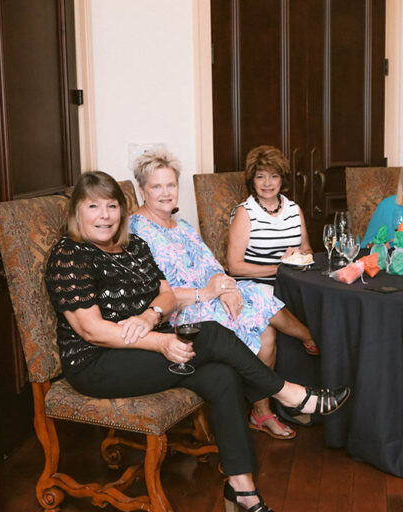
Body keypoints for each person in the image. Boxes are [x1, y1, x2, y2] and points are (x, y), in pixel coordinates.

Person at [45, 171, 349, 512]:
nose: (104, 215)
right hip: (97, 362)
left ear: (121, 210)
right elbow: (92, 331)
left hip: (139, 344)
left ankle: (242, 489)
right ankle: (288, 393)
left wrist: (149, 316)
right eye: (93, 206)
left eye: (112, 206)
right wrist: (160, 342)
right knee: (212, 334)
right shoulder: (70, 254)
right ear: (77, 212)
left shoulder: (134, 245)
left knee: (221, 376)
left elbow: (167, 296)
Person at [129, 149, 319, 441]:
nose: (166, 193)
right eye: (157, 186)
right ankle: (308, 343)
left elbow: (211, 264)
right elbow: (151, 293)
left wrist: (226, 286)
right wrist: (206, 292)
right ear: (142, 190)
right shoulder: (136, 231)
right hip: (179, 310)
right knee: (260, 310)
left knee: (264, 321)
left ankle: (261, 411)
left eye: (171, 185)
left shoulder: (182, 225)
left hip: (209, 296)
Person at [227, 145, 312, 285]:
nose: (267, 183)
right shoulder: (244, 213)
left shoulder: (294, 209)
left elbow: (307, 250)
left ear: (281, 179)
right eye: (260, 177)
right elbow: (234, 267)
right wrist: (279, 269)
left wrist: (298, 257)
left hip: (291, 285)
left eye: (274, 176)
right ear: (252, 181)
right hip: (255, 288)